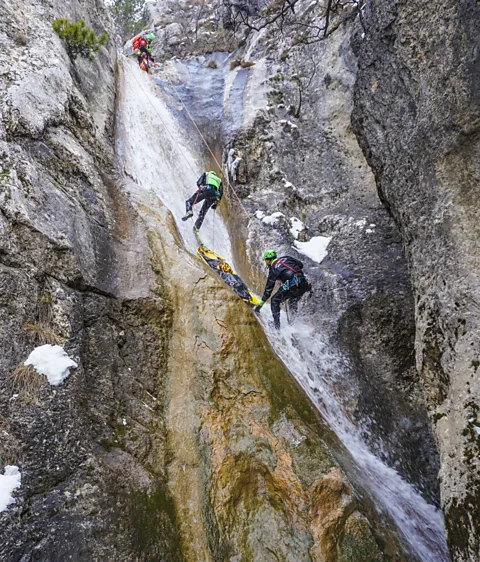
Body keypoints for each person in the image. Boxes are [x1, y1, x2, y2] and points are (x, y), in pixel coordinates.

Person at [255, 250, 312, 329]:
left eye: (266, 260)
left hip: (292, 285)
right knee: (293, 300)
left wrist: (259, 306)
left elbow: (268, 290)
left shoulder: (273, 269)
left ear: (269, 260)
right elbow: (301, 265)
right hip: (304, 284)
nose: (266, 262)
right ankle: (293, 323)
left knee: (275, 300)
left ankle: (276, 326)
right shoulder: (286, 258)